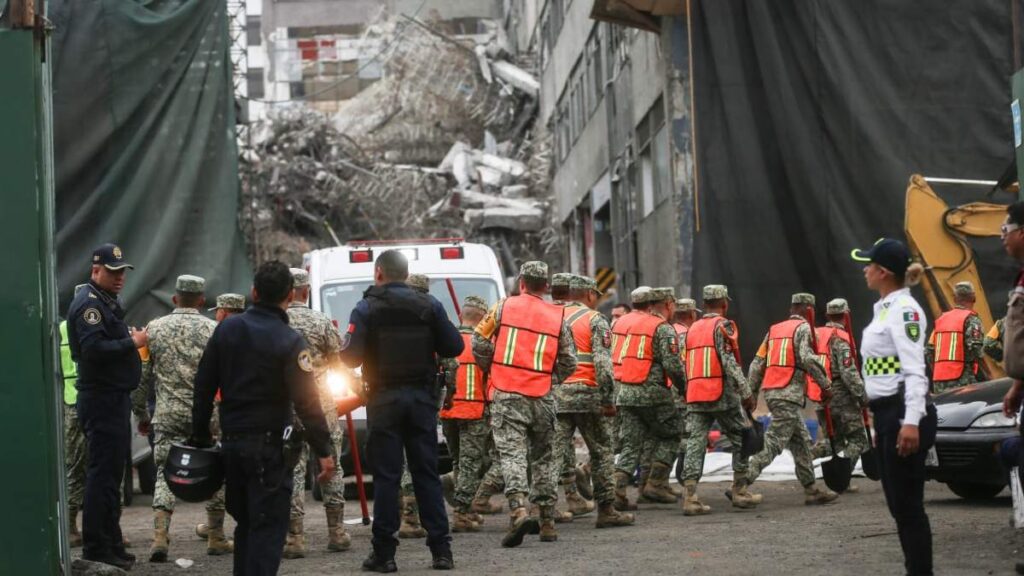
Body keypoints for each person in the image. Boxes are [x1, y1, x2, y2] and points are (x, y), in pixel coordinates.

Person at [191, 261, 336, 576]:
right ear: (289, 295)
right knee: (267, 528)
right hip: (269, 452)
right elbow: (307, 402)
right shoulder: (291, 341)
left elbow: (203, 387)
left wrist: (200, 436)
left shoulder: (226, 329)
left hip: (231, 447)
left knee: (247, 525)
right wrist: (324, 450)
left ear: (254, 292)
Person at [339, 249, 463, 571]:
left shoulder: (366, 307)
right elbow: (454, 346)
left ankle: (385, 554)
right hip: (422, 401)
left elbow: (350, 357)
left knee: (387, 477)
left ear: (379, 273)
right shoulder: (429, 305)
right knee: (426, 475)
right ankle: (441, 551)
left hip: (384, 402)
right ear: (406, 274)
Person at [472, 261, 577, 547]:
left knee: (512, 455)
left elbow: (478, 342)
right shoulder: (558, 316)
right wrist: (549, 378)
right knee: (544, 458)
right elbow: (570, 361)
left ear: (521, 283)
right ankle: (547, 522)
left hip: (507, 394)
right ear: (545, 287)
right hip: (542, 396)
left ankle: (518, 510)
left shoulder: (503, 308)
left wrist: (493, 369)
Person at [851, 238, 936, 576]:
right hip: (888, 414)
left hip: (903, 412)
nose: (864, 269)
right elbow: (880, 372)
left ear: (883, 272)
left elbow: (915, 370)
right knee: (899, 506)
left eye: (868, 264)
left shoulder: (904, 310)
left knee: (908, 507)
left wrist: (911, 421)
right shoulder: (885, 308)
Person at [131, 275, 231, 561]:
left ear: (175, 299)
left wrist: (142, 413)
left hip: (167, 414)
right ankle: (216, 536)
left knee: (164, 471)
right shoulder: (214, 330)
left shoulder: (154, 330)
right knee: (216, 471)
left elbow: (142, 378)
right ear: (202, 300)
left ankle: (160, 537)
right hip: (207, 415)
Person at [67, 244, 148, 570]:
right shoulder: (89, 305)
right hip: (101, 400)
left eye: (122, 273)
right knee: (102, 478)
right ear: (95, 270)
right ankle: (98, 548)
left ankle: (111, 544)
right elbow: (95, 349)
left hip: (112, 398)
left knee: (112, 477)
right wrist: (133, 342)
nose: (119, 279)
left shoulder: (104, 303)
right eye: (113, 272)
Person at [553, 275, 633, 528]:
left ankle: (543, 510)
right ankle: (606, 510)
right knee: (601, 453)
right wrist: (609, 399)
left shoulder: (551, 316)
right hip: (588, 395)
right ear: (588, 294)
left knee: (552, 454)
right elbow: (602, 363)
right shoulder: (595, 319)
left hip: (556, 395)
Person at [284, 268, 350, 558]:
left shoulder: (277, 323)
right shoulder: (321, 321)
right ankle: (336, 532)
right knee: (331, 464)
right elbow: (339, 363)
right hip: (322, 405)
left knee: (292, 470)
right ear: (306, 292)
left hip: (287, 406)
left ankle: (294, 538)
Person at [746, 293, 837, 505]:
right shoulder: (804, 329)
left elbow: (757, 364)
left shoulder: (774, 330)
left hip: (772, 391)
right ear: (809, 310)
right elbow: (807, 359)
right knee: (775, 441)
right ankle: (742, 481)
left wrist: (750, 392)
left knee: (801, 441)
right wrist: (825, 384)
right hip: (788, 393)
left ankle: (811, 489)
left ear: (792, 309)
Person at [680, 285, 756, 515]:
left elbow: (685, 362)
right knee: (741, 437)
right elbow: (729, 362)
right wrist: (746, 392)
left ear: (704, 304)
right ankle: (740, 491)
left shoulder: (692, 328)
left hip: (695, 393)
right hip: (719, 392)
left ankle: (690, 497)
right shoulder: (723, 325)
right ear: (724, 303)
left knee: (695, 443)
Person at [610, 286, 685, 509]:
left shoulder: (626, 323)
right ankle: (655, 483)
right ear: (669, 305)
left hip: (625, 391)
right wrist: (684, 388)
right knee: (672, 433)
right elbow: (673, 365)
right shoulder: (662, 328)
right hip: (652, 392)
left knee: (631, 445)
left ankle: (617, 491)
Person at [193, 292, 247, 542]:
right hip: (244, 415)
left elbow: (205, 380)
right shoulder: (252, 334)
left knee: (217, 468)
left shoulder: (217, 334)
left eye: (218, 311)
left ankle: (215, 531)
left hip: (218, 410)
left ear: (224, 312)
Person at [439, 295, 493, 532]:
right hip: (474, 410)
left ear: (462, 315)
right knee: (472, 464)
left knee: (459, 461)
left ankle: (467, 508)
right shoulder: (482, 344)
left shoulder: (445, 342)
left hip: (448, 410)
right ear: (482, 318)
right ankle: (461, 513)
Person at [809, 299, 870, 490]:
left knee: (834, 440)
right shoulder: (841, 337)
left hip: (821, 395)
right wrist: (862, 396)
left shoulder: (816, 334)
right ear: (846, 315)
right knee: (858, 439)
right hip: (841, 396)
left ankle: (806, 457)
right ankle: (842, 479)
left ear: (827, 315)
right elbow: (848, 372)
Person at [925, 281, 984, 394]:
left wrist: (937, 372)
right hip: (962, 379)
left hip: (939, 382)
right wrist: (989, 375)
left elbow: (929, 351)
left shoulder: (941, 320)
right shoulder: (971, 319)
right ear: (974, 298)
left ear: (955, 299)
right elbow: (976, 349)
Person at [670, 298, 698, 484]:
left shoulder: (667, 332)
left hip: (664, 391)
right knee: (687, 433)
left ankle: (655, 482)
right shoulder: (689, 336)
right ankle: (685, 476)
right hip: (683, 392)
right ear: (691, 314)